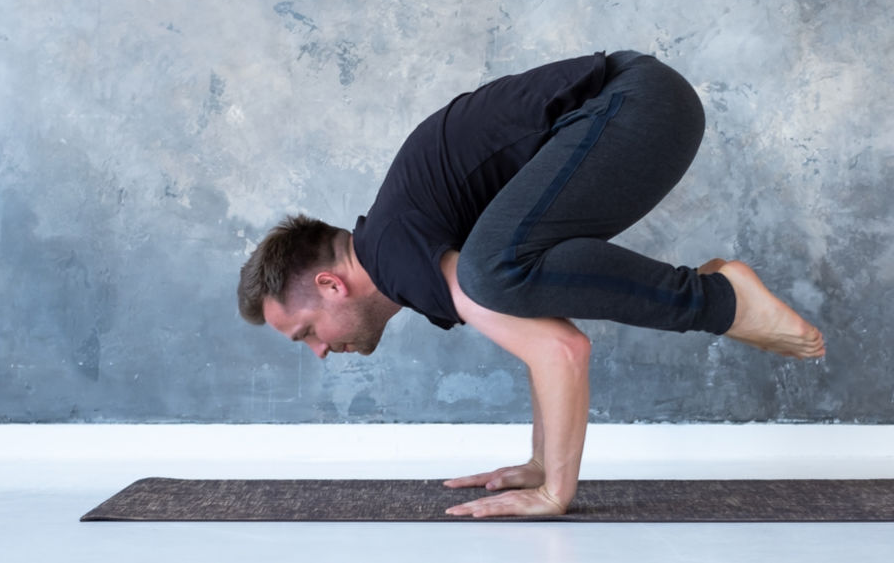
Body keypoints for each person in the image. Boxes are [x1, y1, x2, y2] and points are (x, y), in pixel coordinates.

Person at [237, 50, 825, 518]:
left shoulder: (394, 255)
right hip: (643, 103)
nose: (319, 351)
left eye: (306, 332)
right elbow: (539, 329)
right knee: (499, 274)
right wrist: (541, 463)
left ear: (331, 285)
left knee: (488, 274)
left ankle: (723, 299)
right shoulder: (402, 240)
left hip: (636, 104)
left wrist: (554, 494)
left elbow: (562, 351)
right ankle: (719, 297)